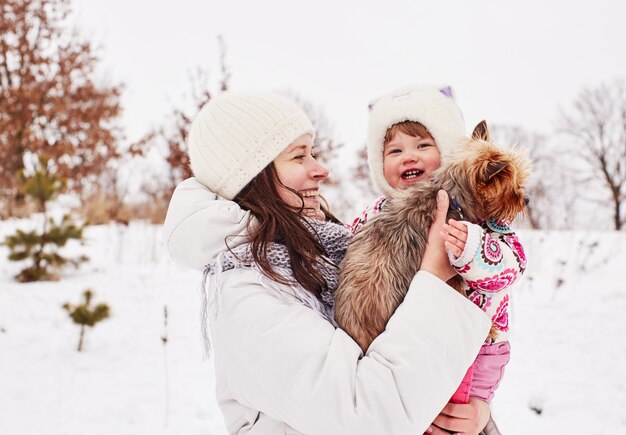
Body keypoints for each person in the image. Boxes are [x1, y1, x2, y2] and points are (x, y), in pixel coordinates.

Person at [164, 90, 493, 434]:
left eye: (314, 153)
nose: (321, 170)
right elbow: (364, 415)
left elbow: (387, 356)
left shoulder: (321, 251)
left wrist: (475, 407)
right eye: (298, 157)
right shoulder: (246, 294)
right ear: (254, 176)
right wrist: (435, 284)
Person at [350, 85, 526, 410]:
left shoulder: (479, 215)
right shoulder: (374, 214)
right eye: (394, 151)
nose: (409, 156)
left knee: (458, 415)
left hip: (473, 350)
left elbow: (511, 266)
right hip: (402, 350)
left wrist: (472, 249)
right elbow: (347, 257)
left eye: (423, 145)